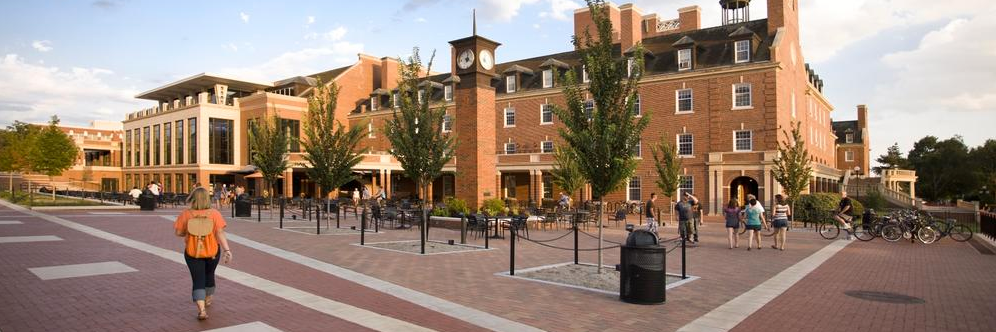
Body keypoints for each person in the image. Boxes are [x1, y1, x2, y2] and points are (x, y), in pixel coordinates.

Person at [172, 187, 232, 320]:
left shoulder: (186, 214)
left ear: (193, 198)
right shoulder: (214, 214)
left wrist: (190, 233)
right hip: (213, 252)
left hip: (192, 252)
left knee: (197, 279)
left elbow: (178, 233)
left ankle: (202, 310)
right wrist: (227, 250)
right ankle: (208, 298)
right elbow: (220, 233)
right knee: (209, 275)